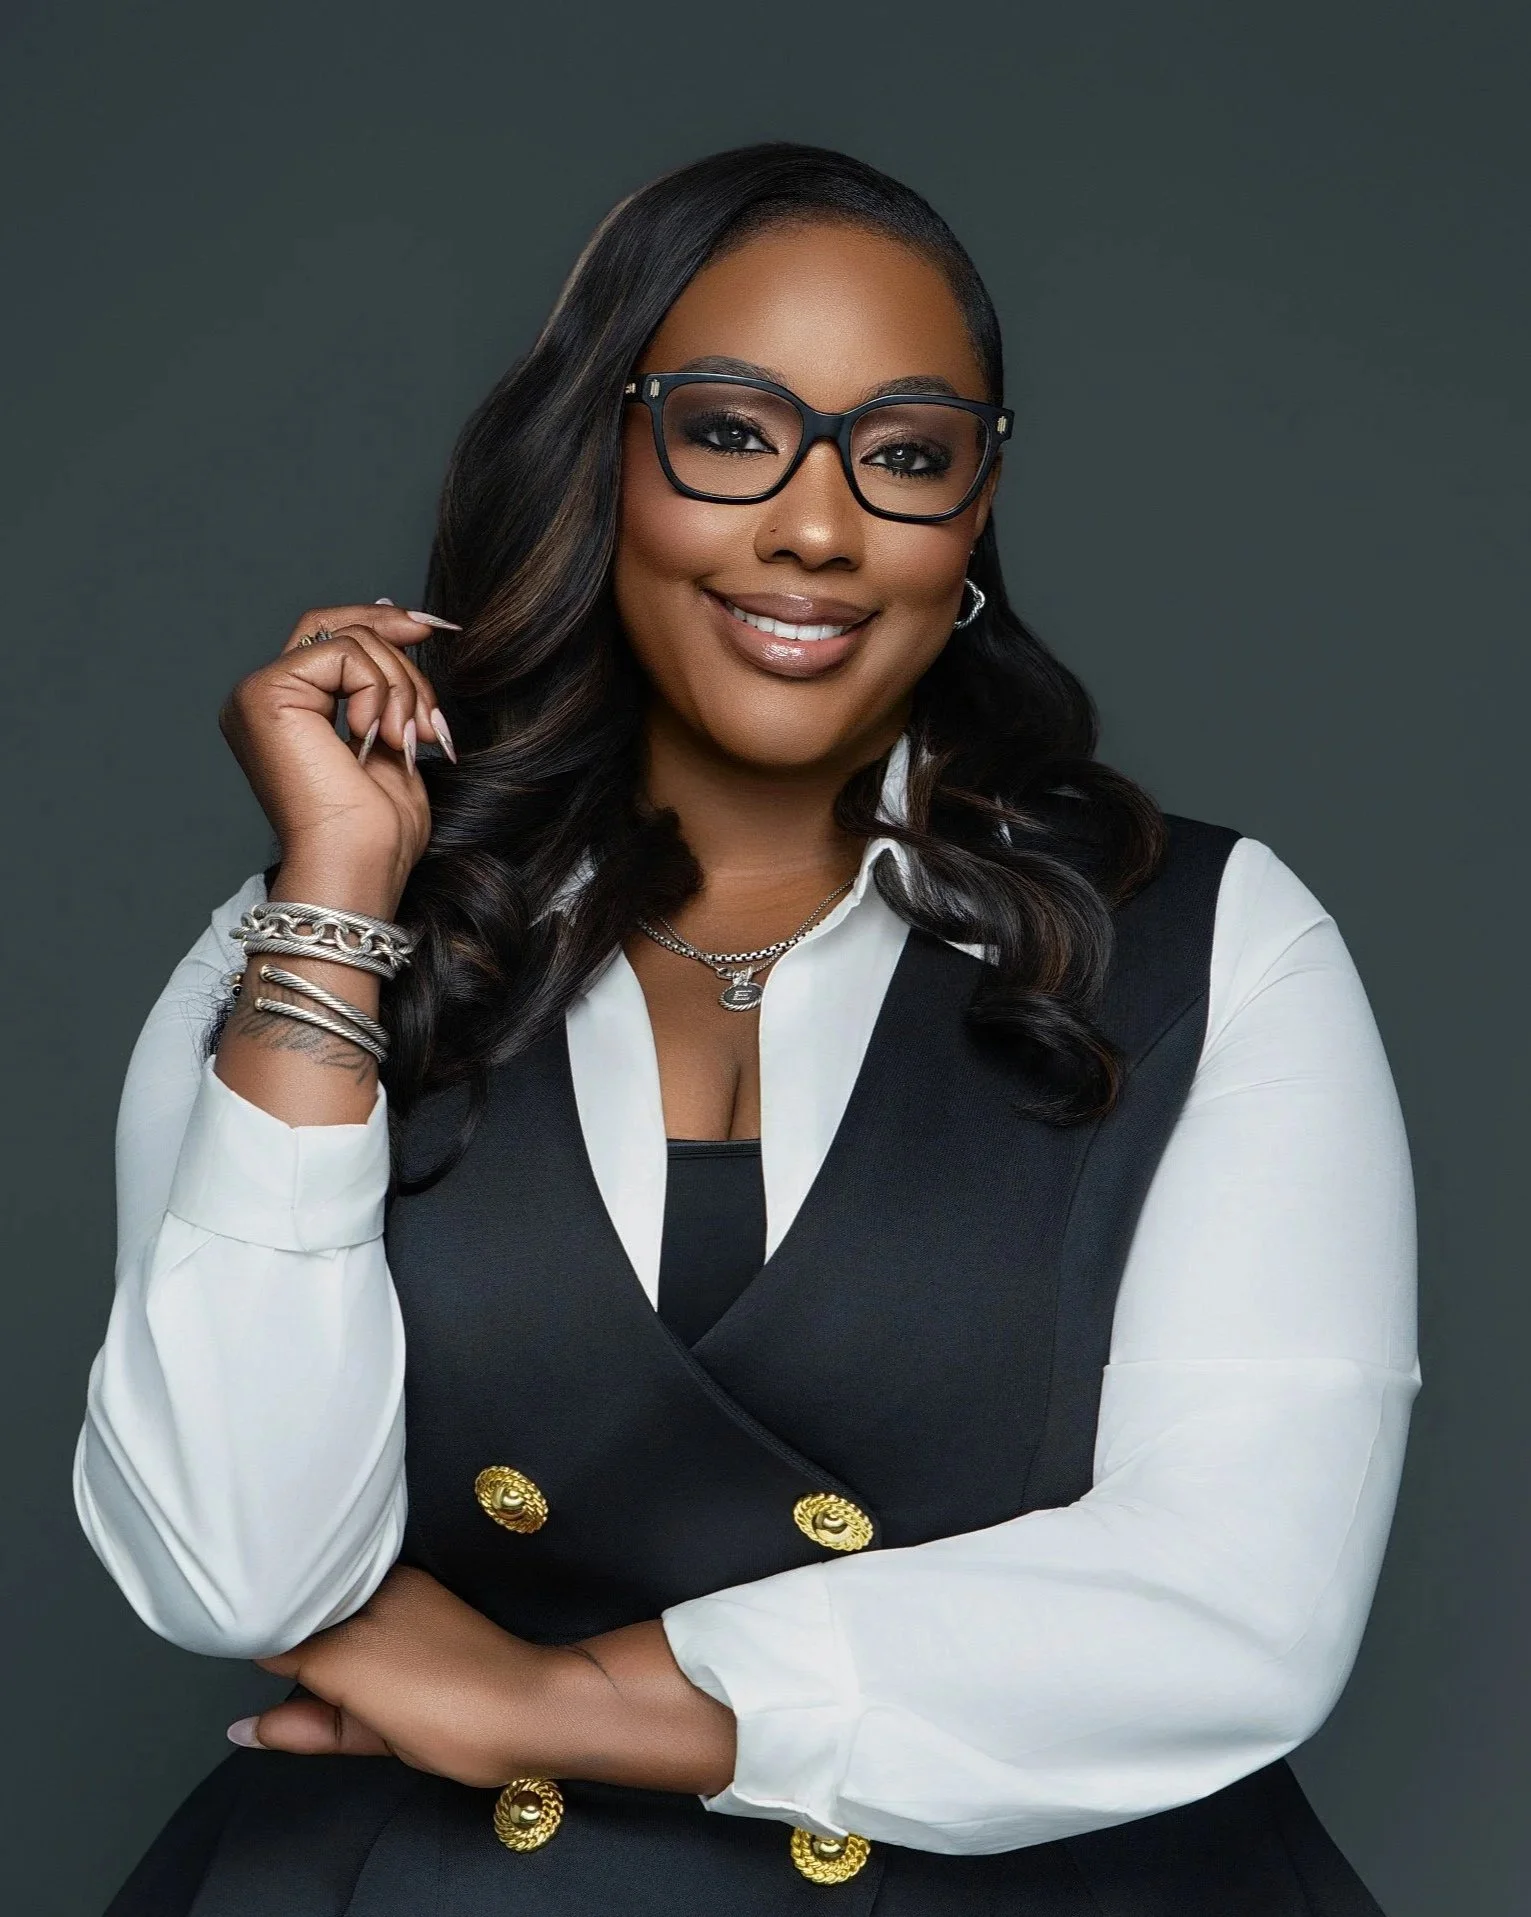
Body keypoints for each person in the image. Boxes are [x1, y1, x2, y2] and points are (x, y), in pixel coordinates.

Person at [75, 143, 1417, 1915]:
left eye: (908, 455)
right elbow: (235, 1569)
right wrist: (336, 892)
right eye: (728, 430)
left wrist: (556, 1705)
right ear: (601, 462)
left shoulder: (1216, 943)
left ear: (973, 523)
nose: (816, 521)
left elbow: (1239, 1607)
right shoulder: (316, 941)